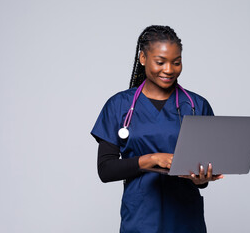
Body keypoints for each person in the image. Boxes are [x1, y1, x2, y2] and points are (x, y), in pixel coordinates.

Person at [91, 25, 223, 233]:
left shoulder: (197, 105)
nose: (169, 69)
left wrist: (202, 179)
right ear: (143, 58)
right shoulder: (119, 105)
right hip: (142, 219)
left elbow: (203, 174)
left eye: (176, 62)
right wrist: (152, 159)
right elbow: (106, 170)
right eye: (160, 62)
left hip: (186, 220)